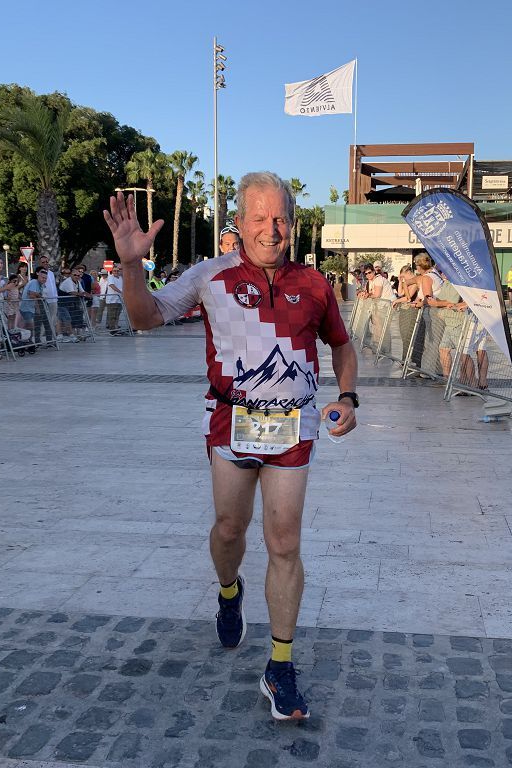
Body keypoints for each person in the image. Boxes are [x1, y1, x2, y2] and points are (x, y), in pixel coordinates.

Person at [103, 171, 358, 721]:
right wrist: (130, 266)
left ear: (293, 223)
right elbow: (144, 317)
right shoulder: (210, 275)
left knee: (284, 541)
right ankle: (228, 591)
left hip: (294, 426)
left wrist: (348, 396)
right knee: (229, 529)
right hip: (230, 421)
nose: (272, 229)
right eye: (259, 218)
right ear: (239, 223)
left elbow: (341, 344)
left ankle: (280, 667)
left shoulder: (315, 284)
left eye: (281, 218)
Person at [102, 264, 123, 331]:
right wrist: (121, 292)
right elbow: (112, 285)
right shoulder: (110, 277)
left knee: (117, 315)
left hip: (119, 299)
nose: (116, 272)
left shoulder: (121, 278)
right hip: (112, 300)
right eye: (114, 271)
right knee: (112, 316)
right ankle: (112, 329)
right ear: (112, 271)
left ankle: (115, 327)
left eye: (117, 271)